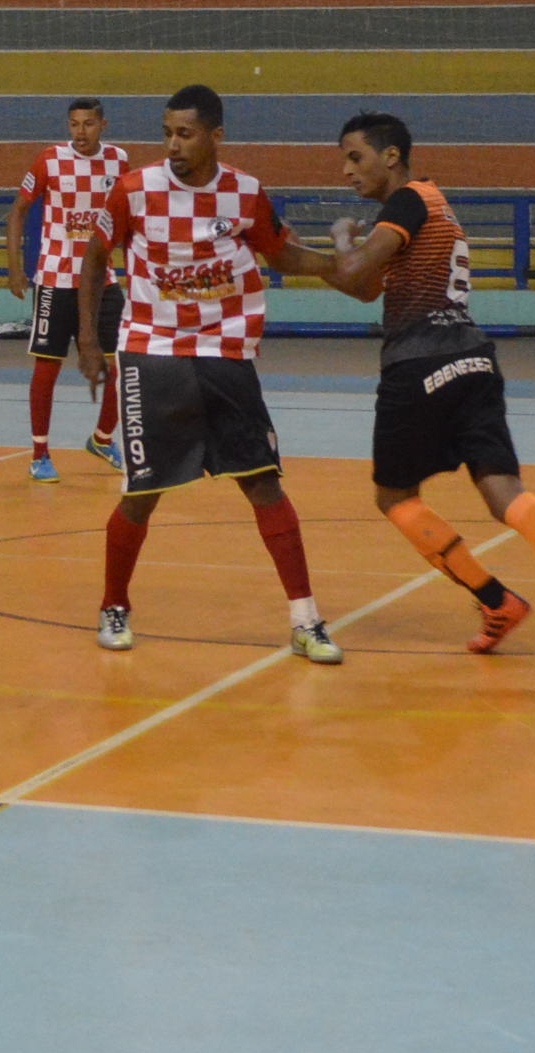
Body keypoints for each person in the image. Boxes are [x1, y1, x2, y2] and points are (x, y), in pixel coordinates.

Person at [316, 113, 535, 675]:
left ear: (390, 157)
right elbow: (364, 290)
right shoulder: (437, 204)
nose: (345, 170)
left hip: (419, 363)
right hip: (474, 358)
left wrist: (337, 241)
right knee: (505, 492)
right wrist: (340, 258)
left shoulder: (406, 200)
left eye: (354, 157)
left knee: (395, 496)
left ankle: (496, 599)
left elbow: (356, 267)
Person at [73, 83, 352, 665]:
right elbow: (96, 259)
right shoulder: (133, 190)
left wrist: (348, 270)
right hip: (153, 348)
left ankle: (305, 620)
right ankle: (113, 605)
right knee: (144, 490)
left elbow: (284, 255)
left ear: (216, 136)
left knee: (263, 483)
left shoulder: (247, 194)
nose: (173, 144)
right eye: (167, 132)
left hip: (226, 350)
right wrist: (89, 339)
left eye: (185, 133)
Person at [6, 97, 128, 481]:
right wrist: (15, 267)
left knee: (123, 364)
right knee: (47, 367)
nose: (80, 131)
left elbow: (129, 215)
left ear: (102, 126)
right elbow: (18, 211)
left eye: (88, 124)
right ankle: (39, 453)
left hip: (102, 281)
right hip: (55, 278)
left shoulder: (119, 162)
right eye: (74, 124)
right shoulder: (49, 160)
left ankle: (103, 438)